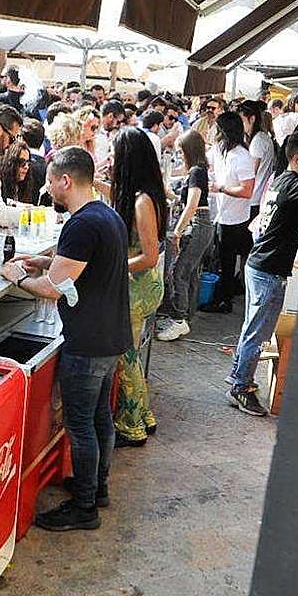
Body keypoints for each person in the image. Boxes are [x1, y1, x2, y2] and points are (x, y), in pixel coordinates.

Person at [0, 147, 130, 531]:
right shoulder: (106, 214)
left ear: (66, 181)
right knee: (101, 418)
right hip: (112, 335)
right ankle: (98, 486)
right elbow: (80, 267)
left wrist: (17, 277)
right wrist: (43, 261)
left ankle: (85, 507)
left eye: (52, 180)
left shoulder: (81, 224)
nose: (48, 186)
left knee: (81, 425)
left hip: (88, 342)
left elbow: (55, 288)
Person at [228, 129, 298, 416]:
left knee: (251, 329)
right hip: (267, 271)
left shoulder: (283, 181)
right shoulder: (296, 184)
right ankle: (241, 387)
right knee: (257, 334)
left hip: (261, 267)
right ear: (297, 158)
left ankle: (237, 377)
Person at [107, 128, 166, 448]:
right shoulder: (144, 193)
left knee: (125, 359)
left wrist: (114, 267)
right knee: (131, 358)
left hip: (137, 288)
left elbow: (150, 255)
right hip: (142, 287)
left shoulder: (142, 202)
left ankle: (131, 426)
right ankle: (144, 414)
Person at [157, 130, 213, 342]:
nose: (179, 155)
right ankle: (181, 317)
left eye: (181, 151)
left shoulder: (197, 171)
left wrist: (178, 232)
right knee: (186, 272)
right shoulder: (197, 171)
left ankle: (180, 320)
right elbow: (185, 200)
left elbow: (192, 204)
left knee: (178, 272)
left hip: (197, 224)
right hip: (198, 224)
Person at [201, 111, 256, 314]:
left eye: (216, 127)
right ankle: (220, 295)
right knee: (218, 258)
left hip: (235, 219)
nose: (213, 130)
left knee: (227, 260)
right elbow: (205, 160)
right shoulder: (220, 149)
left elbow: (247, 190)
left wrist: (220, 188)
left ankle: (225, 301)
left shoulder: (242, 157)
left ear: (224, 131)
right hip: (221, 214)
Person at [239, 100, 276, 269]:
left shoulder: (258, 141)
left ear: (252, 119)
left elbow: (250, 171)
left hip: (254, 198)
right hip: (257, 196)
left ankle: (242, 281)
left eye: (243, 120)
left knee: (246, 246)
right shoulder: (262, 138)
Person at [0, 139, 36, 204]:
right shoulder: (0, 186)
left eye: (28, 163)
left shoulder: (25, 186)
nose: (26, 167)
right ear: (11, 162)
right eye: (22, 162)